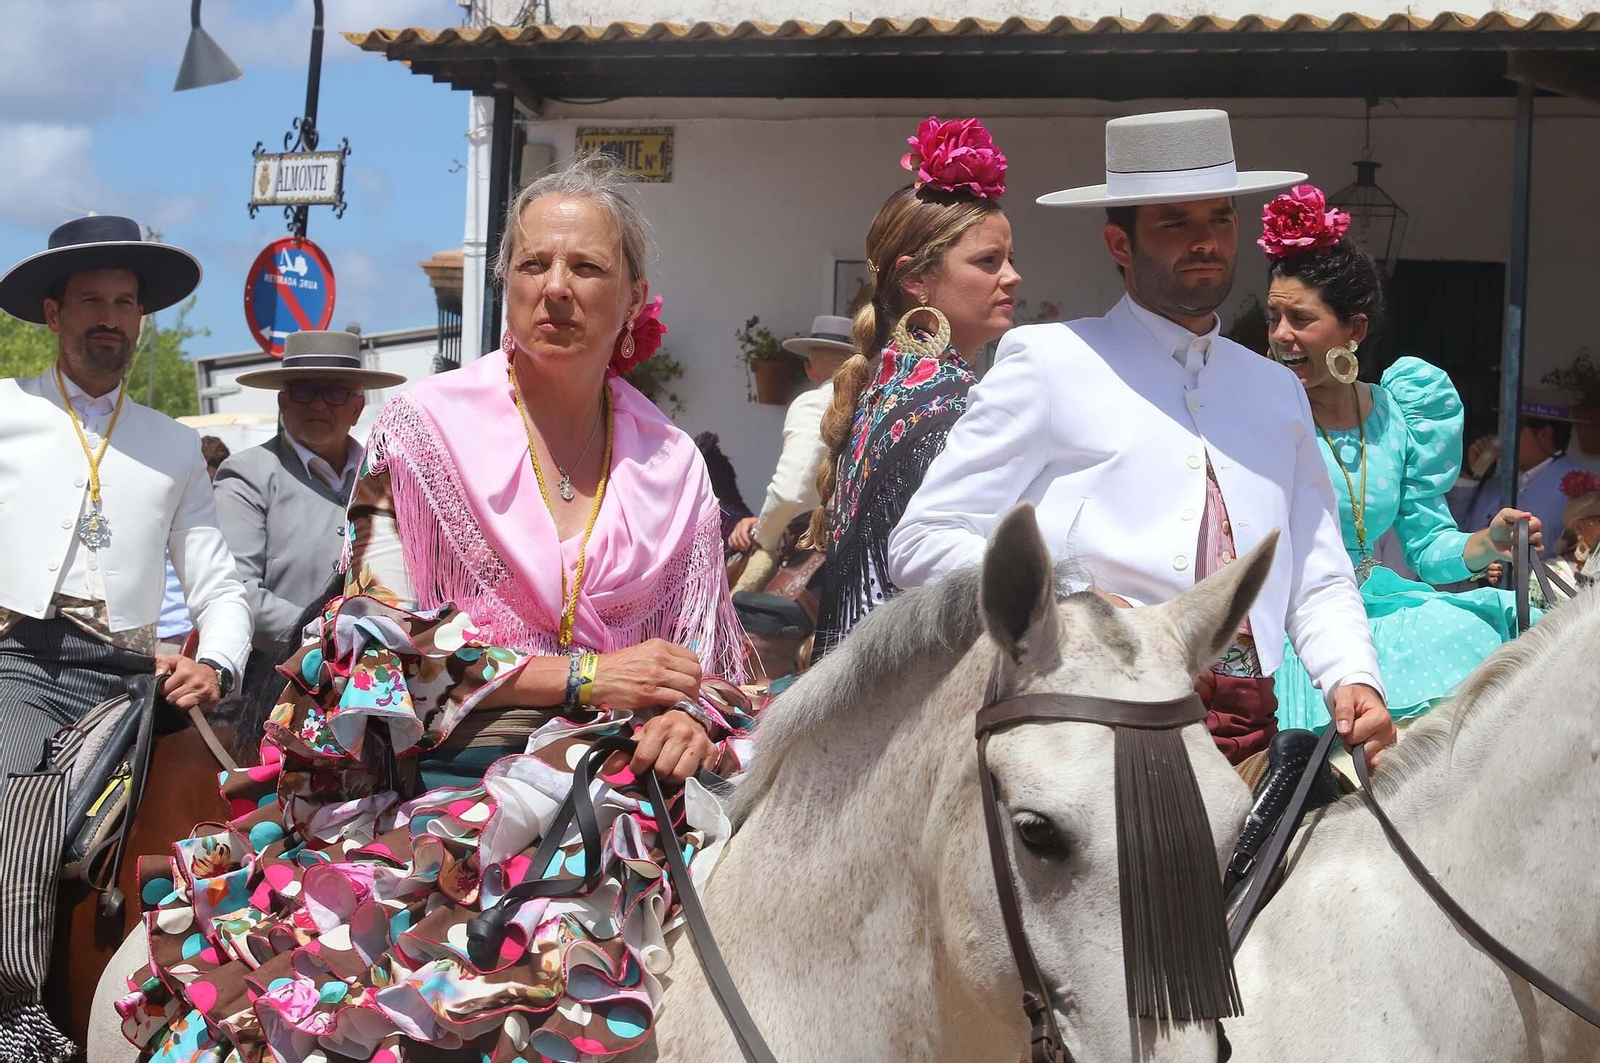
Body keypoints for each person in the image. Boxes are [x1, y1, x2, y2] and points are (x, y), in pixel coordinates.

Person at [95, 156, 751, 1063]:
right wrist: (583, 675)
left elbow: (708, 655)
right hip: (443, 780)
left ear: (635, 292)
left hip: (627, 784)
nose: (556, 288)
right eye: (533, 265)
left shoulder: (675, 462)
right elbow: (371, 631)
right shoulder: (422, 428)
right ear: (506, 283)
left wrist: (681, 712)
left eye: (587, 268)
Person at [889, 109, 1395, 765]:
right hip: (1089, 732)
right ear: (1120, 244)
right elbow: (922, 540)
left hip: (1247, 725)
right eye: (1175, 222)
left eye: (1220, 217)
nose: (1206, 240)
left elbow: (1318, 577)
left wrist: (1354, 676)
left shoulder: (1274, 392)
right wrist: (1067, 607)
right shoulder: (1051, 363)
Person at [0, 215, 251, 1061]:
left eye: (124, 303)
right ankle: (13, 1014)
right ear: (52, 311)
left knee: (245, 807)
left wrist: (214, 660)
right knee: (6, 792)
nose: (109, 317)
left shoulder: (175, 444)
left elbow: (218, 579)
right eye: (91, 301)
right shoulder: (4, 410)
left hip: (136, 672)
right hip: (22, 661)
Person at [1255, 183, 1541, 732]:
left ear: (1354, 330)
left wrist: (1492, 541)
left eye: (1300, 319)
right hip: (1290, 630)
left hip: (1382, 612)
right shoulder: (1258, 413)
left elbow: (1429, 548)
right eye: (1274, 318)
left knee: (1489, 641)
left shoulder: (1402, 410)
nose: (1282, 337)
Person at [808, 116, 1018, 651]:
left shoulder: (887, 384)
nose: (1011, 277)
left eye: (1010, 260)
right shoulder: (950, 403)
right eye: (988, 261)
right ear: (916, 279)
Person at [213, 330, 404, 654]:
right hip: (276, 682)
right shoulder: (248, 474)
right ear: (283, 402)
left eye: (334, 392)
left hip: (382, 678)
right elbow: (238, 591)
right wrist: (331, 636)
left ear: (357, 408)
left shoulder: (388, 478)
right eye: (304, 390)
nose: (318, 403)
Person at [728, 315, 856, 593]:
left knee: (745, 623)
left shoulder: (814, 402)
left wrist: (764, 537)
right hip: (867, 556)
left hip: (818, 556)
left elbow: (789, 491)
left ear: (809, 369)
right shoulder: (879, 404)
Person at [1456, 389, 1590, 557]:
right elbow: (1455, 530)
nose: (1505, 435)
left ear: (1544, 433)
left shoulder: (1579, 486)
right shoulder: (1499, 480)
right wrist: (1472, 474)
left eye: (1516, 427)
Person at [156, 436, 232, 654]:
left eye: (215, 482)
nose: (209, 489)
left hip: (211, 635)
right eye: (204, 481)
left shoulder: (231, 514)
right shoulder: (171, 512)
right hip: (170, 636)